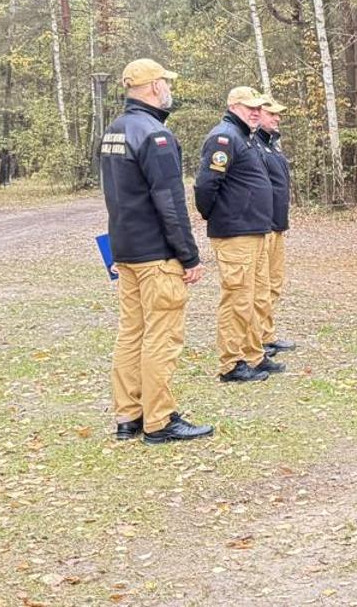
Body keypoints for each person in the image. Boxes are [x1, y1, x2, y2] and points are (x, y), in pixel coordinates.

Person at [98, 58, 213, 444]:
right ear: (151, 88)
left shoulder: (114, 130)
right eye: (165, 83)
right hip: (154, 255)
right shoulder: (155, 135)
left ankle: (128, 415)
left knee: (131, 333)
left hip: (125, 250)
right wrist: (189, 255)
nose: (169, 89)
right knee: (161, 336)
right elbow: (170, 202)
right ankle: (160, 420)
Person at [196, 86, 280, 384]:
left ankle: (253, 354)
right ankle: (231, 364)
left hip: (254, 229)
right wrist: (219, 216)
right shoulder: (224, 137)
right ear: (233, 106)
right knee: (237, 298)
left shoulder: (245, 137)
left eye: (259, 107)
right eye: (249, 107)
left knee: (253, 294)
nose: (256, 111)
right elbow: (206, 186)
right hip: (236, 231)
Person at [253, 95, 296, 357]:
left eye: (278, 114)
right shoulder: (253, 146)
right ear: (258, 116)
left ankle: (266, 335)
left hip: (277, 224)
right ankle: (257, 338)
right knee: (260, 286)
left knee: (274, 284)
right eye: (272, 114)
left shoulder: (271, 146)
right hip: (263, 225)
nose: (277, 118)